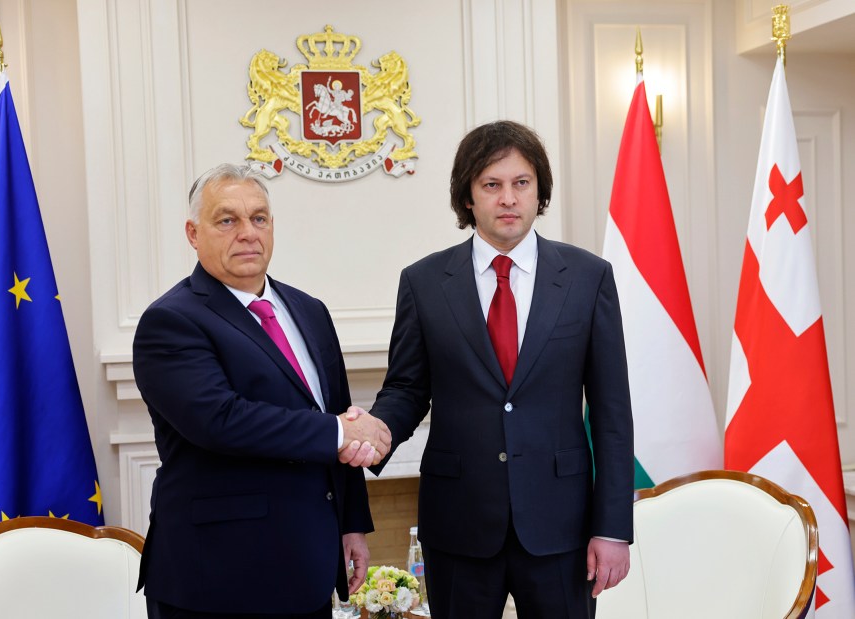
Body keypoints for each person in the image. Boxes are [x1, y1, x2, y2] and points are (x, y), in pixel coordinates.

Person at [360, 121, 634, 618]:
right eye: (492, 185)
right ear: (468, 197)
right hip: (459, 527)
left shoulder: (589, 278)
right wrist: (374, 434)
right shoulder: (423, 283)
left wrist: (612, 527)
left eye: (521, 183)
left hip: (560, 528)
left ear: (538, 192)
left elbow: (613, 413)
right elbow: (406, 389)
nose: (508, 198)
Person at [133, 163, 391, 619]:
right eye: (227, 220)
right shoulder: (171, 321)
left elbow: (335, 413)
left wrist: (351, 525)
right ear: (193, 233)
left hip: (307, 569)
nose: (248, 233)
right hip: (215, 578)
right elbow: (221, 420)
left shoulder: (309, 311)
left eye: (259, 218)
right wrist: (339, 433)